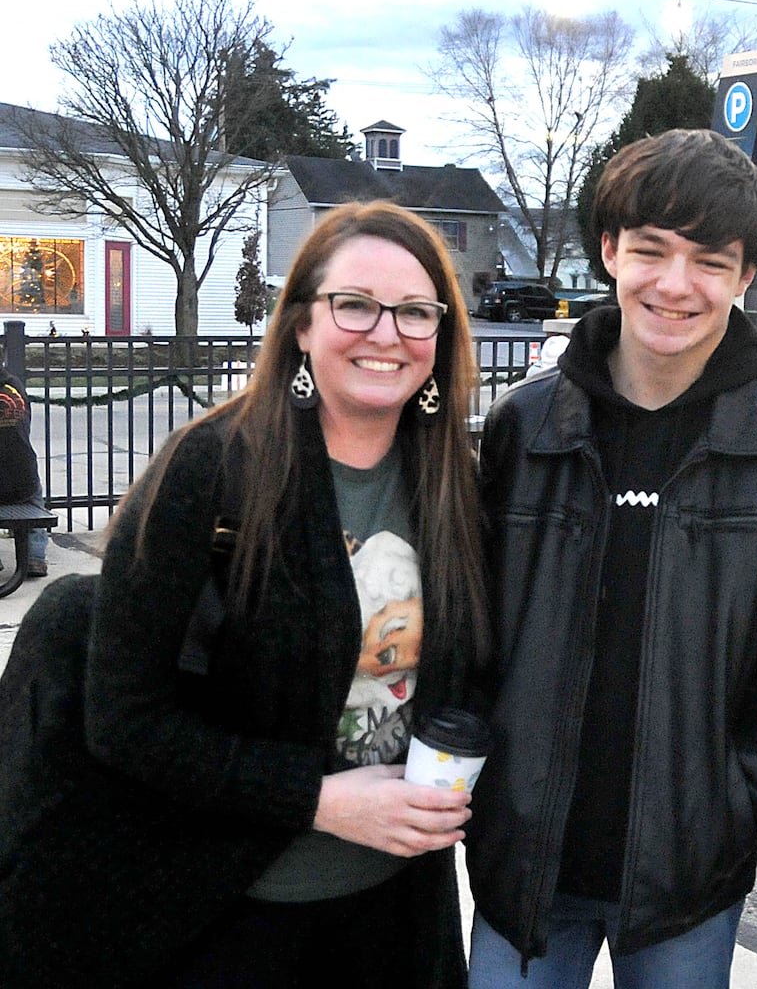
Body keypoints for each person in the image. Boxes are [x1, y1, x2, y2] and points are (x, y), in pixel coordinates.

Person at [0, 201, 488, 986]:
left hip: (394, 914)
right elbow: (123, 718)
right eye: (354, 305)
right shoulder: (210, 470)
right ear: (301, 324)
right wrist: (317, 800)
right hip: (226, 912)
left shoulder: (451, 482)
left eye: (415, 312)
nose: (386, 332)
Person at [468, 128, 757, 988]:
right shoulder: (526, 426)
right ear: (609, 252)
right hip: (524, 861)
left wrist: (736, 799)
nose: (675, 285)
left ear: (746, 278)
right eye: (651, 251)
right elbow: (475, 622)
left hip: (685, 873)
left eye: (710, 261)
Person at [0, 359, 49, 576]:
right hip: (23, 478)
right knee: (33, 495)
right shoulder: (15, 386)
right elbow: (24, 428)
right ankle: (35, 557)